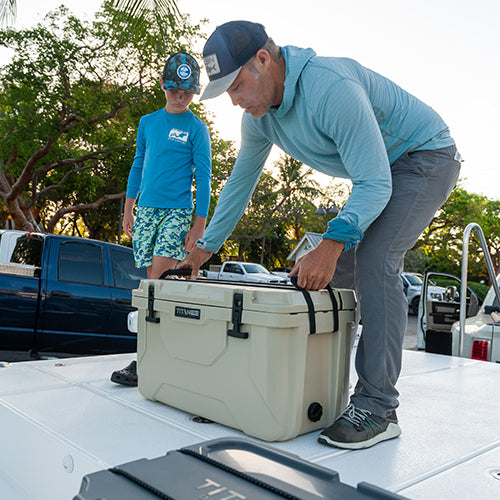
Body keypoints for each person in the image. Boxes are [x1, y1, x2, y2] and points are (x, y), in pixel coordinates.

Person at [178, 21, 462, 449]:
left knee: (375, 261)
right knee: (320, 277)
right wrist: (202, 250)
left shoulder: (329, 88)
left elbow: (376, 183)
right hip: (378, 171)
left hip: (425, 157)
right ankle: (315, 389)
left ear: (263, 60)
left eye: (236, 87)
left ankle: (378, 408)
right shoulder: (260, 120)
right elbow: (239, 184)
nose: (235, 101)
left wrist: (331, 244)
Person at [111, 52, 212, 387]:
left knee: (157, 279)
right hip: (147, 210)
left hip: (177, 212)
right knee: (162, 282)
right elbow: (138, 164)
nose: (180, 97)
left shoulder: (197, 129)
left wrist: (198, 226)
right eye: (174, 90)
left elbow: (205, 179)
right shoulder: (148, 123)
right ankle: (172, 352)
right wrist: (128, 207)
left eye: (187, 92)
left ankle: (144, 360)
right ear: (162, 86)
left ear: (194, 92)